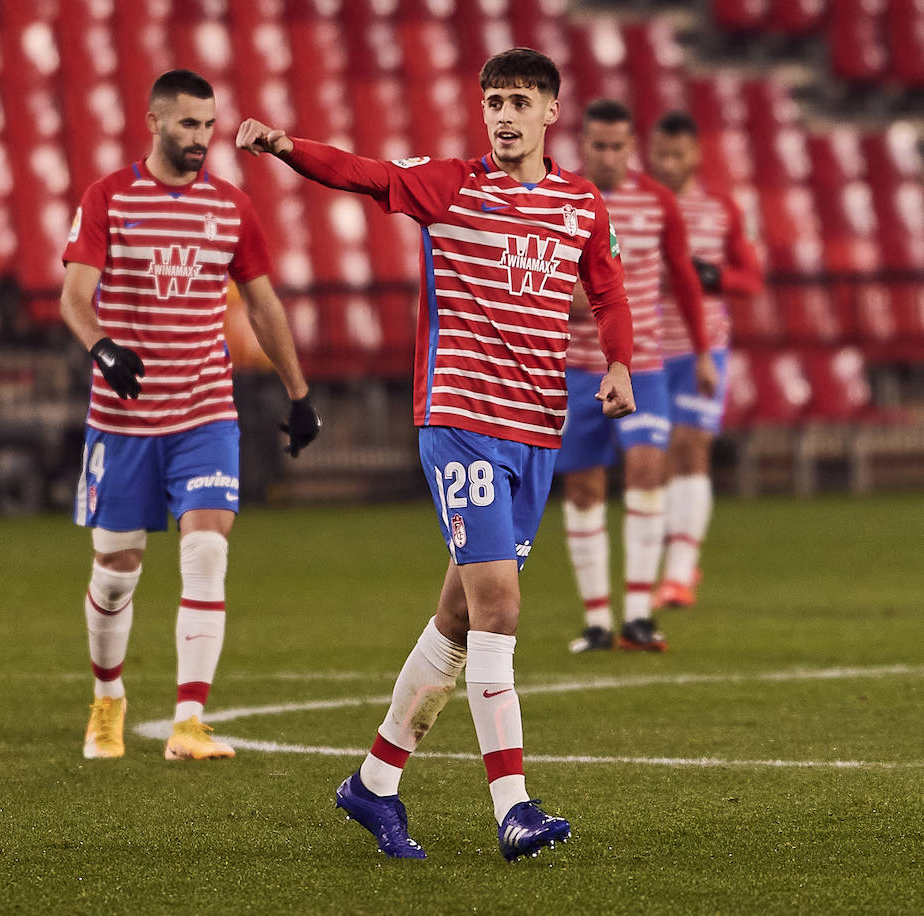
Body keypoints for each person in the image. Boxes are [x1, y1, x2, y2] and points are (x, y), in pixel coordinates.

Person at [237, 48, 635, 861]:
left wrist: (620, 360)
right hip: (459, 420)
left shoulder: (581, 205)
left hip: (536, 430)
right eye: (493, 99)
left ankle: (373, 784)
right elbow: (367, 175)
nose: (504, 113)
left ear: (551, 113)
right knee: (501, 607)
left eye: (520, 100)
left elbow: (608, 288)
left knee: (458, 617)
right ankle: (513, 806)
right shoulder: (451, 186)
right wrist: (287, 146)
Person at [61, 69, 320, 762]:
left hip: (206, 413)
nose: (200, 138)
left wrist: (299, 393)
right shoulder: (108, 199)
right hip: (122, 424)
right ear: (152, 122)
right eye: (186, 125)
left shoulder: (232, 208)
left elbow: (263, 305)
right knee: (117, 572)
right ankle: (107, 699)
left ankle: (189, 722)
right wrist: (102, 346)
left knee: (207, 551)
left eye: (208, 125)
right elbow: (73, 298)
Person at [558, 99, 716, 654]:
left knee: (648, 469)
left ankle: (640, 616)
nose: (607, 155)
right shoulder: (558, 199)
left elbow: (685, 279)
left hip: (644, 364)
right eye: (597, 145)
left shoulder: (658, 202)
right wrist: (572, 300)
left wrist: (700, 351)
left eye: (617, 145)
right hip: (575, 368)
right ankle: (598, 621)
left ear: (632, 146)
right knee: (584, 487)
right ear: (583, 145)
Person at [648, 111, 765, 609]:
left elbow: (751, 280)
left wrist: (711, 277)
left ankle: (677, 575)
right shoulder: (639, 208)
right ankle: (673, 560)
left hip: (703, 349)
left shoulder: (720, 209)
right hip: (650, 349)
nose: (670, 163)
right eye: (662, 154)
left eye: (678, 154)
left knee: (692, 448)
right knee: (655, 460)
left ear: (695, 154)